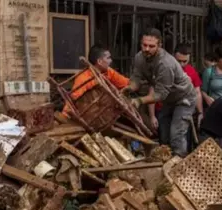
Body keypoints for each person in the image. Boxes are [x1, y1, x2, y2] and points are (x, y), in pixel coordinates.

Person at [122, 28, 197, 158]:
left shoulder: (165, 63)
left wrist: (139, 101)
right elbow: (136, 79)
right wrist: (129, 88)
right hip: (169, 99)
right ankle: (167, 163)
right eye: (144, 45)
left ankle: (180, 164)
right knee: (164, 134)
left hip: (184, 98)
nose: (147, 49)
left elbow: (160, 94)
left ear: (159, 46)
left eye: (151, 46)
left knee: (176, 134)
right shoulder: (140, 57)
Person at [149, 44, 203, 150]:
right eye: (179, 61)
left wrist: (200, 112)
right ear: (173, 57)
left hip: (183, 107)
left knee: (178, 138)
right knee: (164, 139)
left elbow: (197, 92)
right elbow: (152, 91)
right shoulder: (163, 68)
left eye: (185, 61)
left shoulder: (192, 72)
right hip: (163, 108)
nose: (181, 64)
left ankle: (179, 161)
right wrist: (152, 116)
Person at [61, 45, 129, 117]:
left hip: (107, 112)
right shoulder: (84, 78)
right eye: (108, 58)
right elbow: (72, 99)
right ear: (99, 61)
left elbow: (125, 83)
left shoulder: (108, 72)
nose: (111, 60)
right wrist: (64, 116)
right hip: (91, 116)